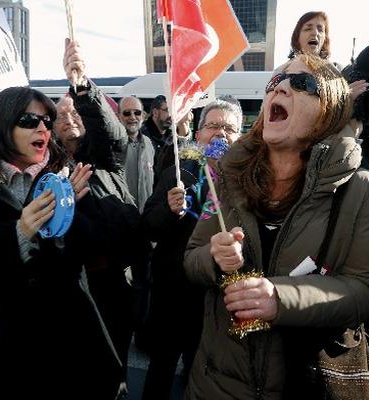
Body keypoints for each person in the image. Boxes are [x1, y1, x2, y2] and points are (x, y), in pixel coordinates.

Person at [183, 54, 369, 399]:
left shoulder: (360, 191)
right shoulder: (226, 178)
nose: (280, 86)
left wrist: (279, 298)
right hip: (215, 384)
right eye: (274, 83)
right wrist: (214, 258)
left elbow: (361, 290)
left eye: (302, 83)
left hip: (304, 385)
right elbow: (192, 258)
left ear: (329, 110)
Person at [0, 86, 123, 399]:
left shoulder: (65, 175)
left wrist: (69, 213)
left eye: (48, 121)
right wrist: (18, 232)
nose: (42, 128)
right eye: (29, 120)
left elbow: (98, 250)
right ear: (3, 124)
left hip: (63, 341)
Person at [55, 39, 149, 397]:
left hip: (118, 281)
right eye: (61, 116)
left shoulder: (105, 157)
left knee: (115, 365)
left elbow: (108, 130)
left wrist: (82, 88)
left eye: (75, 113)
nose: (70, 119)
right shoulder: (46, 170)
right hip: (77, 285)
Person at [140, 98, 243, 400]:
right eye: (213, 126)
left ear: (239, 136)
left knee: (200, 371)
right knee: (162, 367)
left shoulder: (246, 178)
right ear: (198, 135)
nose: (221, 133)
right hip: (174, 292)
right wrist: (170, 211)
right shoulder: (180, 170)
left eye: (229, 128)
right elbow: (148, 224)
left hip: (217, 297)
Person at [118, 95, 155, 212]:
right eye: (127, 113)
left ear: (143, 116)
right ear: (118, 116)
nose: (132, 117)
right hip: (121, 217)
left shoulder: (149, 144)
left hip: (145, 217)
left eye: (137, 112)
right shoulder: (111, 145)